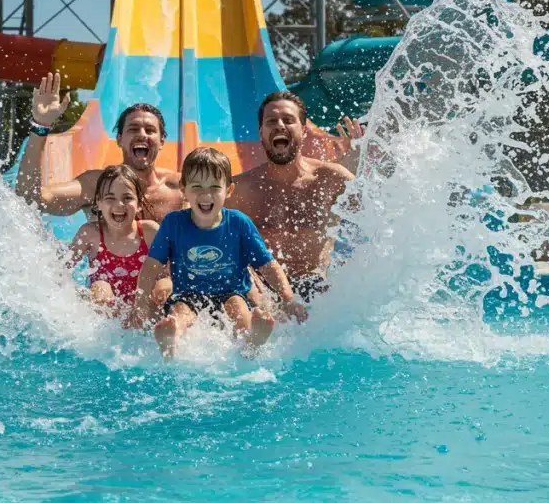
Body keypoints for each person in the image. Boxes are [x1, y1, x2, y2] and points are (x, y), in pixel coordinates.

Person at [134, 147, 308, 359]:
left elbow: (267, 265)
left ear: (229, 190)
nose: (205, 195)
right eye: (197, 187)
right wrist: (140, 302)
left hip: (232, 292)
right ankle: (171, 337)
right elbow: (151, 265)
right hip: (189, 294)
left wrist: (288, 299)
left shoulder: (239, 223)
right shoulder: (174, 223)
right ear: (183, 189)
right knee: (180, 310)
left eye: (214, 187)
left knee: (237, 306)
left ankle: (252, 338)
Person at [232, 92, 363, 304]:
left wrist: (359, 166)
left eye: (288, 120)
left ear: (303, 131)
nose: (279, 125)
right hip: (263, 292)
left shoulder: (331, 179)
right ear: (261, 132)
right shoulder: (240, 189)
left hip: (316, 288)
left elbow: (376, 216)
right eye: (271, 121)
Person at [16, 73, 184, 223]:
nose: (142, 135)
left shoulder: (181, 187)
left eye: (150, 130)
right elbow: (31, 198)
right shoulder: (97, 185)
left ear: (162, 141)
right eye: (133, 129)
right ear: (119, 139)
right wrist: (41, 126)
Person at [68, 165, 164, 315]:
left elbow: (172, 272)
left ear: (139, 203)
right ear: (98, 202)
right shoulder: (90, 234)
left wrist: (164, 287)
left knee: (161, 290)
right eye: (110, 198)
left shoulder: (149, 232)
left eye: (127, 198)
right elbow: (61, 270)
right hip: (106, 308)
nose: (119, 204)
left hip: (143, 305)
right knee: (101, 288)